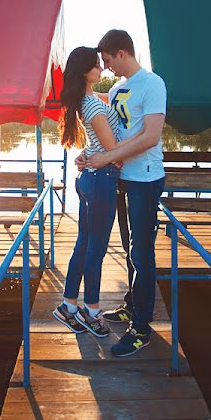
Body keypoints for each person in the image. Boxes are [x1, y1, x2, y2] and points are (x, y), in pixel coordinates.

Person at [84, 29, 166, 357]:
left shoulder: (152, 83)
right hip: (121, 177)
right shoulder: (118, 88)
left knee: (142, 252)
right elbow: (110, 134)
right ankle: (132, 306)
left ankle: (141, 328)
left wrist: (109, 157)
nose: (106, 67)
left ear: (121, 53)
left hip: (145, 179)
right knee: (128, 247)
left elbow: (151, 136)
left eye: (107, 60)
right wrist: (92, 154)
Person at [53, 46, 140, 338]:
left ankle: (68, 304)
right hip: (101, 179)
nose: (101, 69)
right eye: (96, 66)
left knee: (85, 243)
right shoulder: (90, 105)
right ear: (85, 72)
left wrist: (86, 154)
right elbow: (113, 148)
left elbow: (100, 144)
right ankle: (91, 311)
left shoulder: (90, 99)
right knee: (97, 248)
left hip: (92, 176)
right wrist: (145, 137)